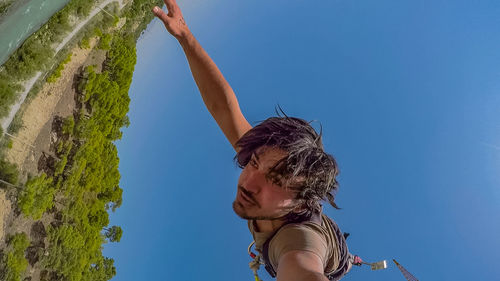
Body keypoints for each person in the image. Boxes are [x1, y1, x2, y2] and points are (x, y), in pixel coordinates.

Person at [152, 1, 354, 280]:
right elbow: (223, 107)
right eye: (254, 163)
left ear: (300, 203)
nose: (250, 181)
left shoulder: (298, 241)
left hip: (331, 255)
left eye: (276, 180)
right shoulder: (268, 158)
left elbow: (303, 269)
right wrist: (184, 35)